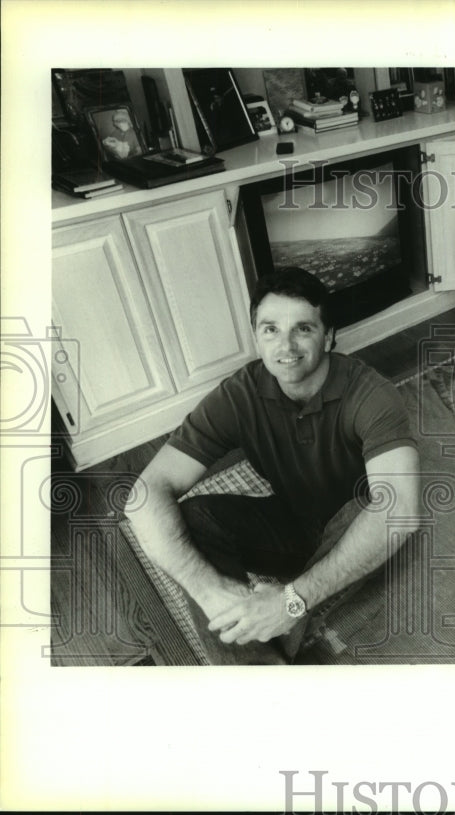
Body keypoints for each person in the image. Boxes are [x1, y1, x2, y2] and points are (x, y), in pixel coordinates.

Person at [126, 267, 420, 663]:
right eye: (270, 330)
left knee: (374, 506)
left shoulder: (372, 394)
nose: (286, 345)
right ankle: (258, 669)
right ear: (256, 338)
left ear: (329, 336)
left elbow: (399, 511)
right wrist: (210, 594)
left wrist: (290, 602)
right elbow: (145, 494)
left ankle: (271, 633)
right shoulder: (241, 394)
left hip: (356, 532)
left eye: (303, 329)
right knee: (194, 519)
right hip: (293, 525)